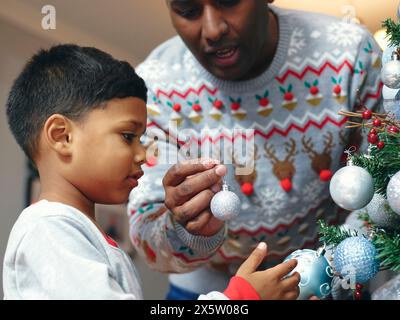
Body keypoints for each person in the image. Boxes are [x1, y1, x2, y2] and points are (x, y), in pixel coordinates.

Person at [2, 44, 301, 300]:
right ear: (62, 136)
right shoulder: (49, 231)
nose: (144, 154)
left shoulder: (73, 231)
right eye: (128, 136)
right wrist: (238, 298)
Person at [128, 0, 383, 299]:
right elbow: (147, 240)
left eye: (228, 1)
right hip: (215, 291)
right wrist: (187, 229)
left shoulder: (350, 53)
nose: (213, 30)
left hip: (332, 279)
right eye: (187, 10)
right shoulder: (154, 86)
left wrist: (319, 273)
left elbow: (385, 188)